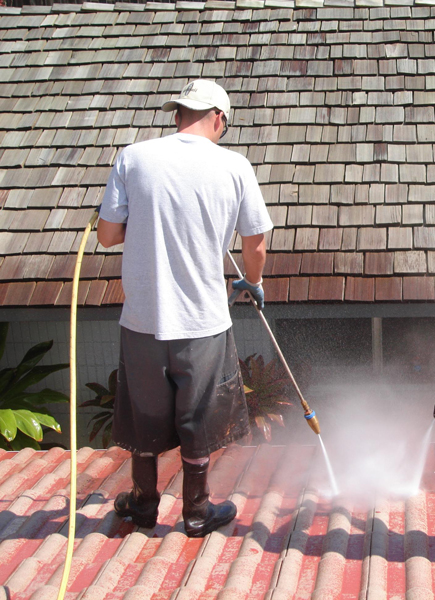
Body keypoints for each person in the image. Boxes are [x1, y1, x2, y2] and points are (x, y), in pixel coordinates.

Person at [97, 79, 273, 537]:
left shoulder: (134, 157)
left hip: (143, 321)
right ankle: (195, 513)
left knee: (144, 419)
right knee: (197, 420)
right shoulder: (234, 166)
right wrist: (252, 283)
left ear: (179, 113)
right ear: (218, 118)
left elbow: (107, 235)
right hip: (202, 322)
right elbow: (255, 243)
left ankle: (143, 505)